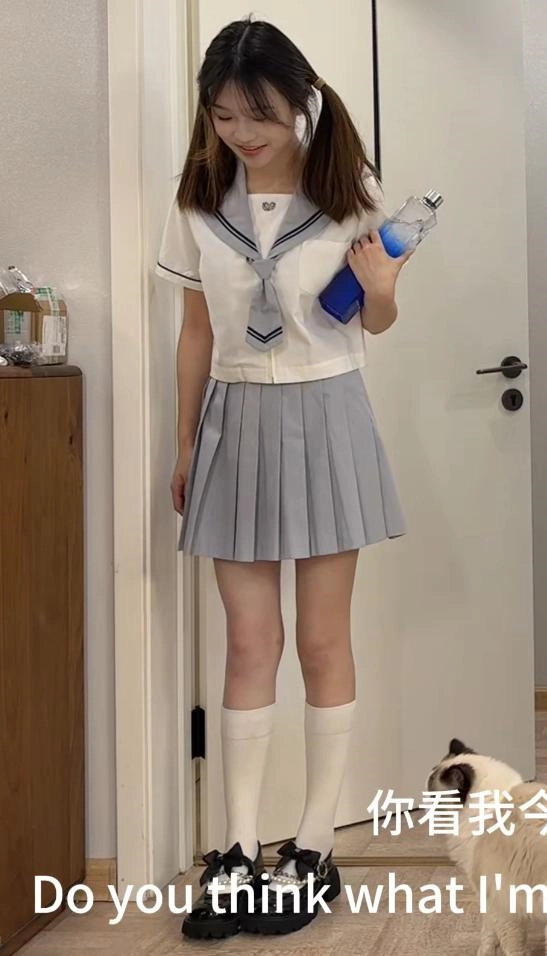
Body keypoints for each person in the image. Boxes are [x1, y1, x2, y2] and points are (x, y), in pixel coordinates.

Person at [155, 16, 409, 941]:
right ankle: (235, 848)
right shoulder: (197, 199)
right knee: (246, 643)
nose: (240, 133)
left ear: (299, 100)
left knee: (322, 640)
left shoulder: (350, 192)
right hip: (234, 418)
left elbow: (375, 322)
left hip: (327, 413)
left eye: (257, 115)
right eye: (223, 116)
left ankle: (312, 845)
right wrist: (186, 443)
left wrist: (380, 289)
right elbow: (195, 333)